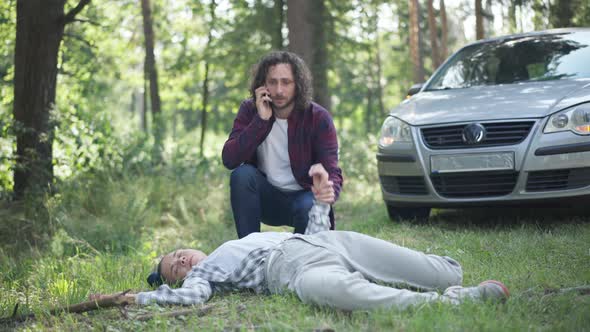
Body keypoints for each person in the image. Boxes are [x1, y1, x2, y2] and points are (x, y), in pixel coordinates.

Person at [91, 167, 509, 311]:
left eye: (179, 254)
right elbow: (190, 298)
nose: (182, 262)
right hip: (294, 275)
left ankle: (445, 281)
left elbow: (311, 236)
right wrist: (136, 298)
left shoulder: (232, 245)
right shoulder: (207, 277)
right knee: (346, 295)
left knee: (444, 270)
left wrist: (320, 203)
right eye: (175, 269)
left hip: (324, 244)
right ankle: (458, 301)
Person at [221, 51, 343, 238]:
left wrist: (329, 192)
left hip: (304, 199)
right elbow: (229, 159)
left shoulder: (317, 117)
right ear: (262, 84)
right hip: (267, 198)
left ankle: (302, 259)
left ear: (297, 85)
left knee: (308, 205)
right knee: (242, 175)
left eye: (286, 82)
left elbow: (332, 171)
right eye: (272, 82)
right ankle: (247, 251)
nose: (279, 90)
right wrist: (260, 121)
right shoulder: (250, 110)